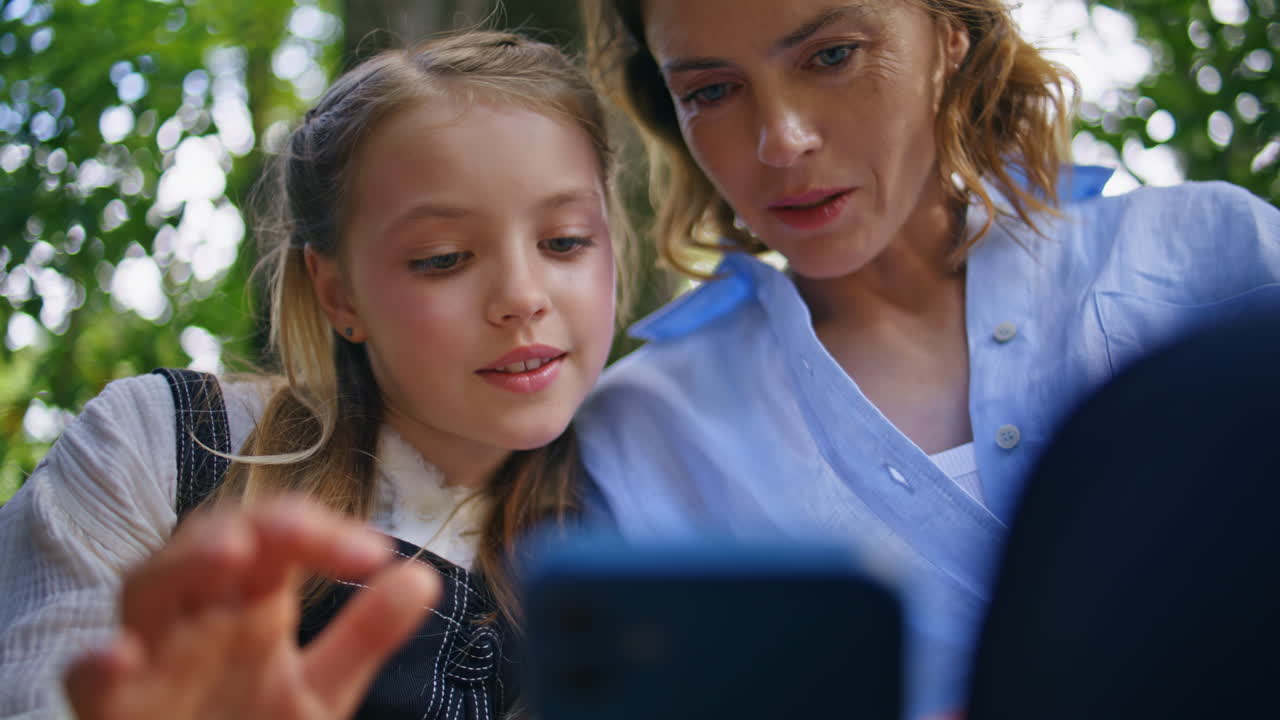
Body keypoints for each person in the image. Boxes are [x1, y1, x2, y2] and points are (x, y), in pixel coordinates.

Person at [574, 0, 1280, 717]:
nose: (781, 141)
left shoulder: (1217, 260)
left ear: (949, 39)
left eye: (832, 55)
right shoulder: (643, 436)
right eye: (711, 92)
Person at [0, 29, 630, 719]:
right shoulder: (159, 446)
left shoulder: (647, 514)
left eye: (565, 241)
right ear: (337, 293)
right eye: (444, 257)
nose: (522, 296)